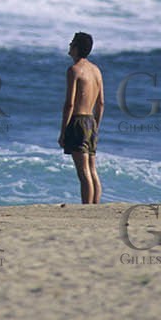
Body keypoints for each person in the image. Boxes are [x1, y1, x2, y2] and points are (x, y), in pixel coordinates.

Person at [58, 31, 104, 204]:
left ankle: (87, 208)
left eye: (72, 43)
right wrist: (96, 126)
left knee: (83, 172)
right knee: (92, 169)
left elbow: (70, 104)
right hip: (91, 121)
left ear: (77, 48)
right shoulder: (96, 71)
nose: (69, 45)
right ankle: (95, 207)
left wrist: (63, 131)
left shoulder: (74, 70)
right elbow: (101, 103)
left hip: (78, 121)